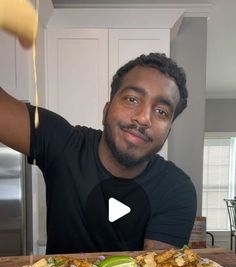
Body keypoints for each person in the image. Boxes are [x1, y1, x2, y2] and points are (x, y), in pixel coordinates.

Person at [0, 48, 197, 254]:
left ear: (168, 130)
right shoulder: (64, 144)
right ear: (106, 111)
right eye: (132, 99)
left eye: (161, 112)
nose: (144, 118)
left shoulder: (176, 188)